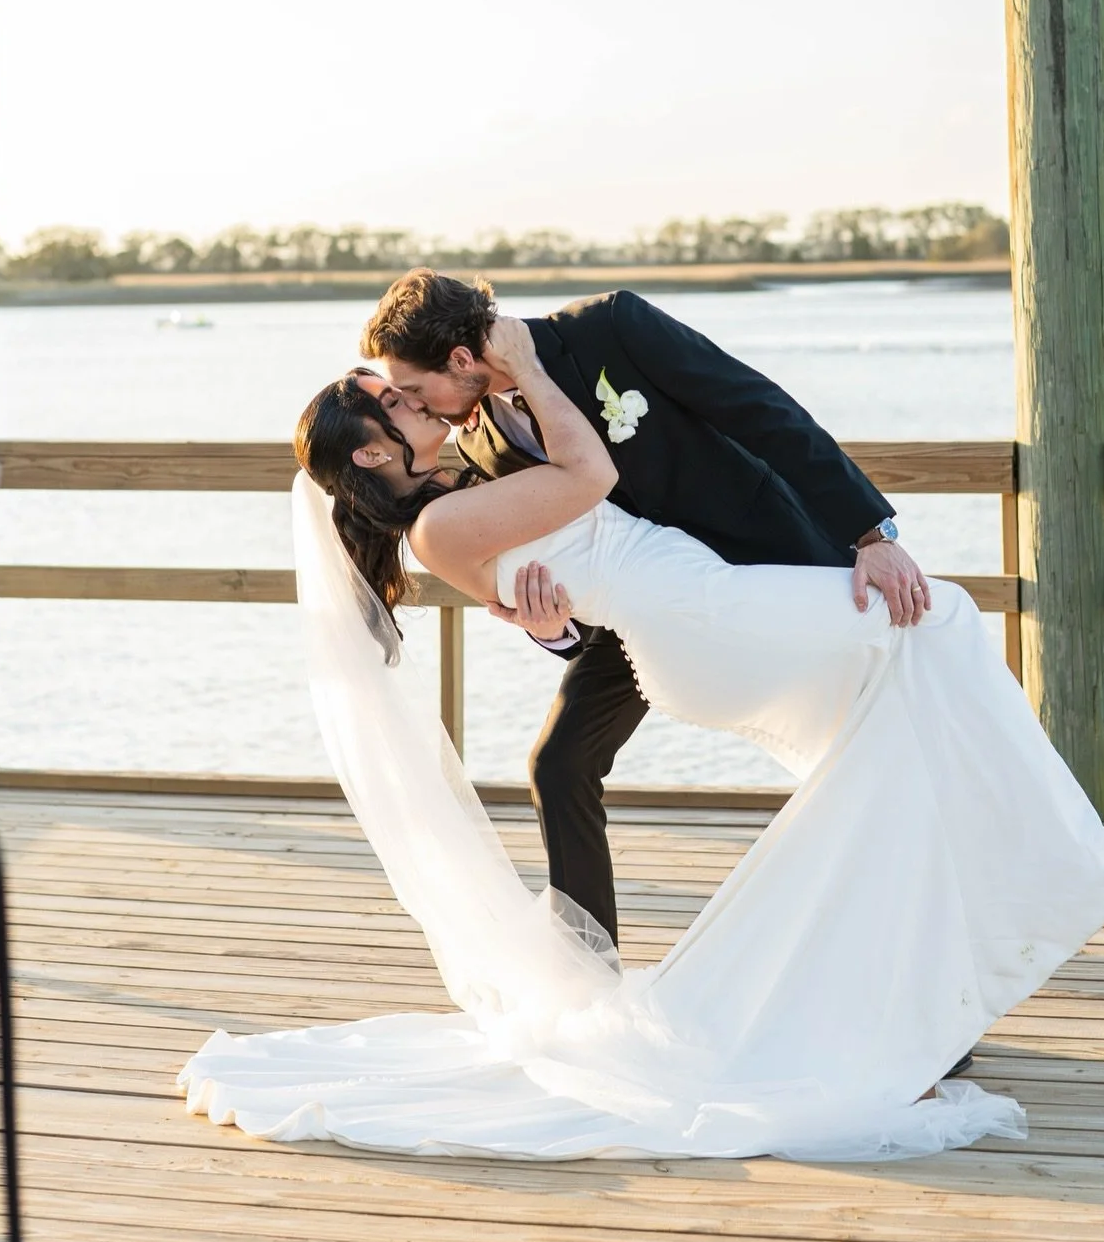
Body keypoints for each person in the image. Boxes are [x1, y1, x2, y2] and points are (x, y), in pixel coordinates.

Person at [179, 311, 1104, 1164]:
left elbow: (715, 446)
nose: (409, 402)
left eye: (404, 386)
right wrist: (530, 410)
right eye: (389, 402)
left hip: (706, 596)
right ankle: (1065, 855)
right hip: (698, 618)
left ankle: (917, 994)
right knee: (941, 618)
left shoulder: (503, 434)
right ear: (370, 453)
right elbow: (589, 475)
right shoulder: (441, 523)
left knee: (886, 746)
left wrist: (543, 614)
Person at [356, 269, 930, 948]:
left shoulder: (610, 328)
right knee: (560, 764)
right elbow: (556, 557)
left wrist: (871, 535)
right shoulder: (478, 443)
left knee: (871, 739)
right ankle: (588, 970)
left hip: (764, 557)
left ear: (459, 359)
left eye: (415, 389)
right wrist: (554, 631)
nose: (416, 406)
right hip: (641, 608)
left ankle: (916, 932)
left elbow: (763, 412)